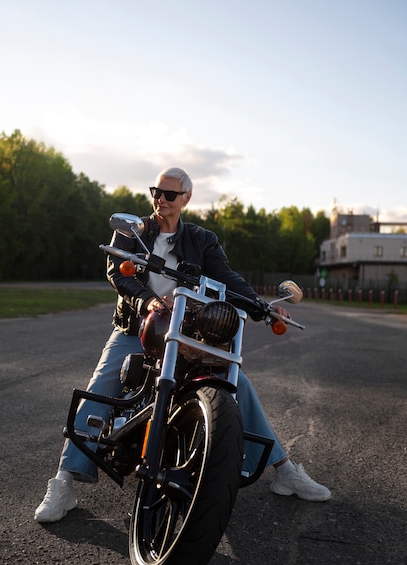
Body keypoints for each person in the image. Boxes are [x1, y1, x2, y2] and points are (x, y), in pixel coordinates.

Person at [35, 167, 331, 523]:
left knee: (237, 383)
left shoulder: (202, 239)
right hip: (138, 325)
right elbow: (117, 270)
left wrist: (262, 307)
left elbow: (227, 277)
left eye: (169, 194)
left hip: (187, 332)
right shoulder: (136, 231)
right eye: (156, 191)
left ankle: (284, 470)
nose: (160, 198)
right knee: (102, 386)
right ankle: (64, 481)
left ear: (186, 198)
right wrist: (147, 302)